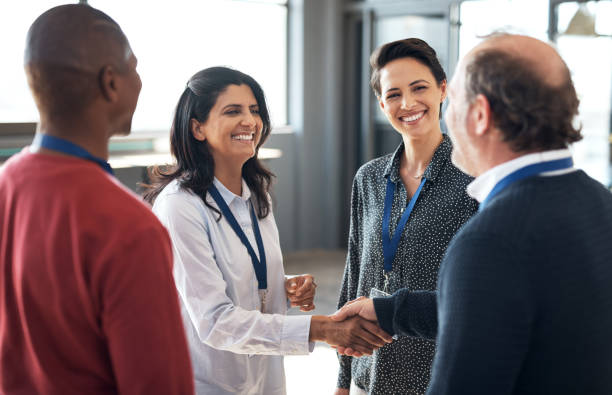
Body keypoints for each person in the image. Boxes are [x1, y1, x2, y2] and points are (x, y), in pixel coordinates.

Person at [333, 33, 612, 394]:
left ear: (479, 114)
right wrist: (389, 312)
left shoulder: (491, 239)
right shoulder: (599, 203)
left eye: (454, 100)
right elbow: (491, 305)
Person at [143, 66, 392, 395]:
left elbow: (242, 279)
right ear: (197, 128)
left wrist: (283, 287)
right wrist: (322, 329)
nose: (250, 121)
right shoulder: (180, 205)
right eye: (233, 111)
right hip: (206, 384)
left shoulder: (255, 193)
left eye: (255, 110)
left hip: (265, 381)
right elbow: (215, 320)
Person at [0, 4, 193, 395]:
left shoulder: (7, 185)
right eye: (134, 67)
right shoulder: (128, 227)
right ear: (111, 83)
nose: (140, 81)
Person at [335, 38, 478, 395]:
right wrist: (342, 378)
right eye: (394, 94)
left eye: (419, 88)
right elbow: (355, 271)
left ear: (443, 90)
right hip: (372, 373)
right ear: (382, 103)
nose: (408, 103)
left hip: (442, 373)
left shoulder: (475, 178)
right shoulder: (368, 178)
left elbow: (481, 293)